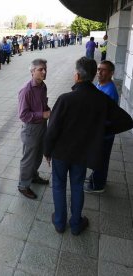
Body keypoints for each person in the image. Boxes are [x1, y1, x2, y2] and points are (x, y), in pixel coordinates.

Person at [44, 57, 133, 235]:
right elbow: (126, 121)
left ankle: (60, 223)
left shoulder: (65, 99)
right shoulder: (101, 99)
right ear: (93, 76)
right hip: (82, 153)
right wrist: (100, 131)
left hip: (61, 153)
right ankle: (76, 224)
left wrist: (47, 151)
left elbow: (52, 129)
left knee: (59, 185)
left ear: (77, 75)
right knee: (77, 186)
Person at [18, 59, 51, 199]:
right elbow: (23, 115)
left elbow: (43, 104)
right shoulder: (26, 90)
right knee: (28, 159)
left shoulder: (42, 86)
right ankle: (23, 186)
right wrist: (42, 114)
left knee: (38, 156)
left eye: (45, 69)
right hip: (31, 129)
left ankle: (33, 176)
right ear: (32, 72)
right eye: (40, 69)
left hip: (42, 126)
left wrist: (48, 110)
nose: (44, 72)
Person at [85, 60, 119, 193]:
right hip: (98, 130)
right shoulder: (99, 84)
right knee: (97, 156)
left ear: (111, 73)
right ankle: (96, 177)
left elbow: (107, 117)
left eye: (103, 70)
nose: (99, 72)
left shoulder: (110, 91)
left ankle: (98, 185)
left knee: (101, 158)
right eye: (98, 69)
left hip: (104, 132)